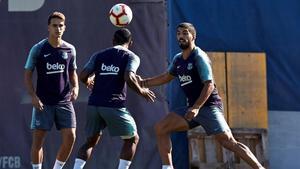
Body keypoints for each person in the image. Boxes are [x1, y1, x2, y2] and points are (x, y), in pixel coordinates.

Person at [139, 22, 265, 169]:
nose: (181, 36)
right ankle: (168, 167)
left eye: (185, 33)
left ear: (193, 36)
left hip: (209, 107)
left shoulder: (199, 56)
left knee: (229, 142)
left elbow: (209, 85)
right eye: (179, 33)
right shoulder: (178, 59)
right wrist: (144, 83)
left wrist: (197, 107)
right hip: (192, 109)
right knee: (161, 128)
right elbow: (167, 76)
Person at [72, 28, 156, 169]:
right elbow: (128, 77)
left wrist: (88, 82)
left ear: (113, 41)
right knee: (132, 139)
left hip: (94, 105)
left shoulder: (99, 55)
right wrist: (142, 91)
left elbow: (82, 76)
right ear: (130, 42)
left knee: (90, 142)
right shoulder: (131, 56)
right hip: (113, 105)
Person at [24, 12, 78, 169]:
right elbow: (27, 75)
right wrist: (33, 96)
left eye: (61, 26)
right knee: (38, 142)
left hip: (64, 101)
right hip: (43, 103)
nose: (58, 28)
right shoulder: (38, 49)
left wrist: (75, 87)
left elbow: (72, 72)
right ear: (48, 27)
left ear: (65, 28)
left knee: (71, 137)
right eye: (55, 25)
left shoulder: (70, 49)